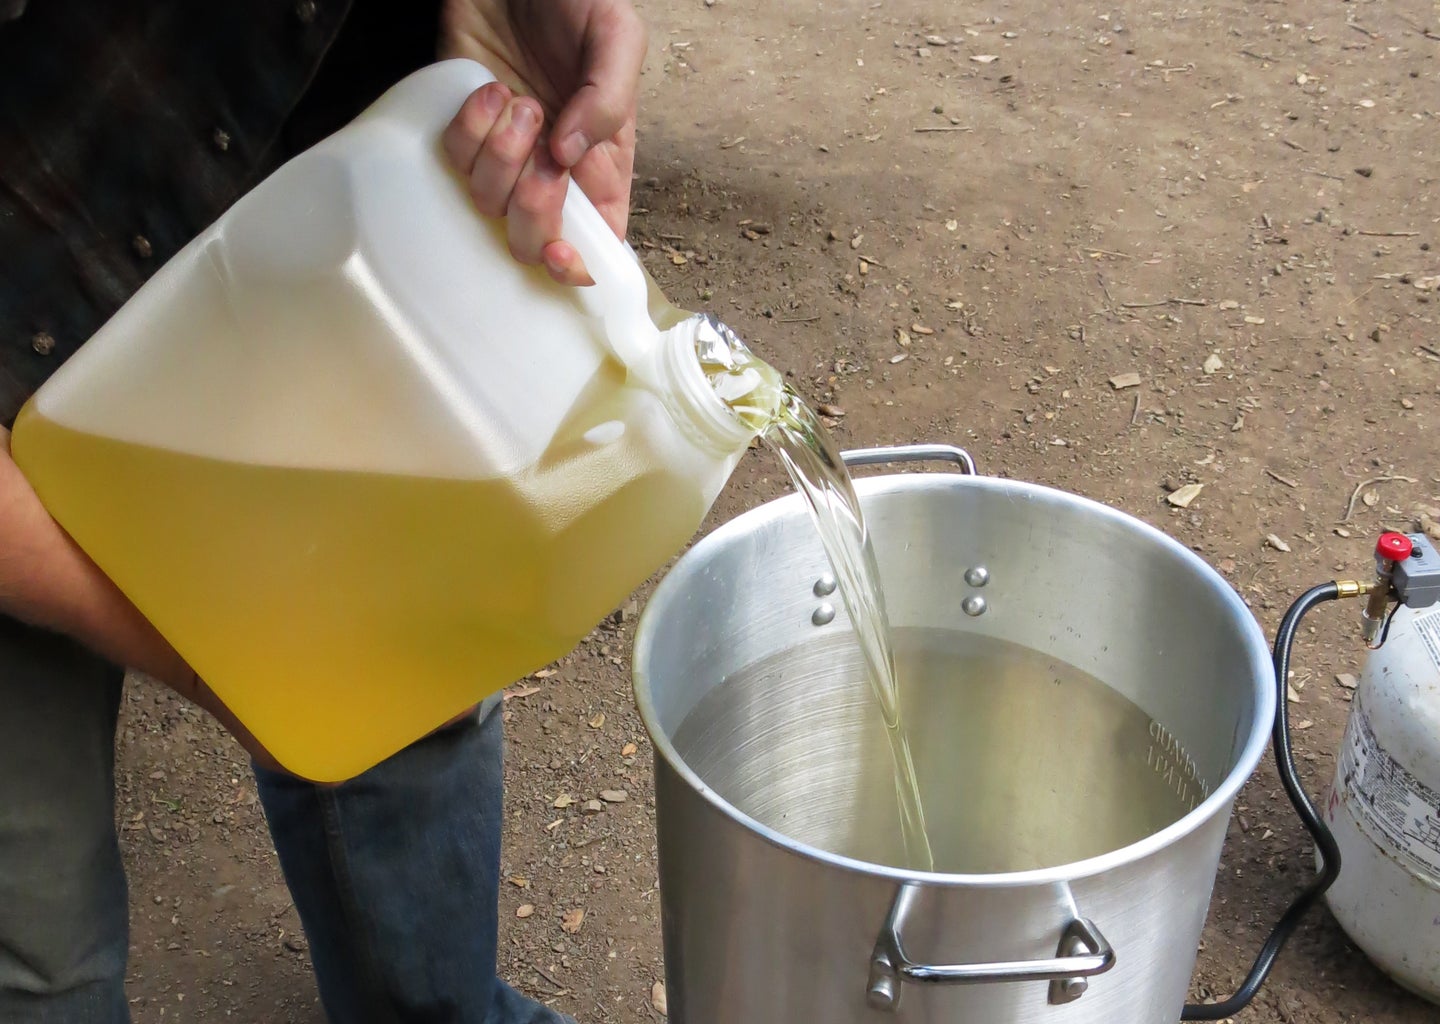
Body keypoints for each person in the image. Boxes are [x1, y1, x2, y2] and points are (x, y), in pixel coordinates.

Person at [0, 1, 647, 1021]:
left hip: (323, 177)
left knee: (419, 670)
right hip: (27, 263)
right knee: (37, 942)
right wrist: (234, 671)